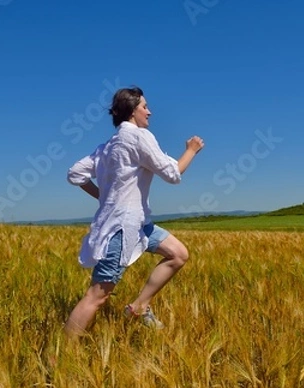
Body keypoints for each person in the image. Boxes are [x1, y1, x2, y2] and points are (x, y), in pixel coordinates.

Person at [64, 86, 204, 337]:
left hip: (139, 224)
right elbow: (172, 174)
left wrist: (103, 197)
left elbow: (75, 174)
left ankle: (139, 306)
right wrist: (191, 150)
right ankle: (59, 357)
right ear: (132, 111)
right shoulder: (139, 137)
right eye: (144, 107)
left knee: (178, 254)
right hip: (121, 228)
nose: (149, 112)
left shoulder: (108, 146)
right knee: (97, 296)